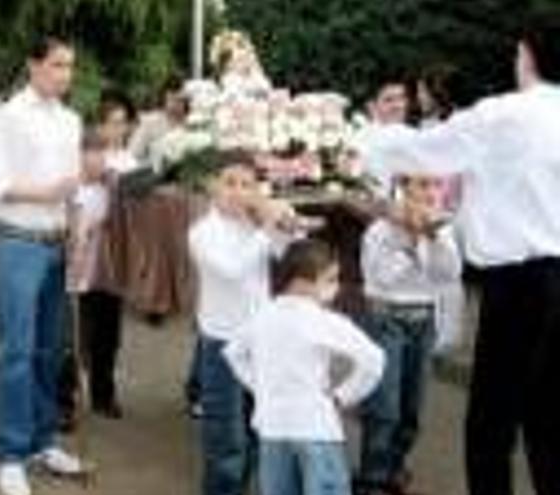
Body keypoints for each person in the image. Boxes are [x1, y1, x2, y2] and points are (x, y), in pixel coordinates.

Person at [362, 12, 560, 494]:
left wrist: (367, 136)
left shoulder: (504, 114)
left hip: (520, 283)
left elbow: (427, 151)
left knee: (491, 422)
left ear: (526, 54)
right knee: (547, 417)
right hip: (548, 277)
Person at [0, 35, 87, 495]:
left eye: (70, 66)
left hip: (58, 243)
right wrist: (43, 194)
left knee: (48, 350)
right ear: (33, 65)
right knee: (16, 352)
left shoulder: (71, 120)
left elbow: (74, 187)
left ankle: (42, 441)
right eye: (58, 65)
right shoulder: (7, 116)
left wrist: (76, 234)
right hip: (18, 242)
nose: (66, 74)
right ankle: (10, 453)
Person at [223, 240, 385, 495]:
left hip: (272, 426)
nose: (337, 287)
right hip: (316, 426)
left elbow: (233, 353)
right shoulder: (325, 320)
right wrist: (344, 395)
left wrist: (259, 386)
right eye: (330, 279)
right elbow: (374, 359)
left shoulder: (261, 314)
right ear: (303, 282)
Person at [188, 151, 298, 495]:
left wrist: (283, 220)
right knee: (225, 435)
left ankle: (243, 487)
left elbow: (287, 250)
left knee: (255, 426)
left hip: (259, 340)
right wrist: (266, 228)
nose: (237, 192)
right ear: (212, 187)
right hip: (222, 343)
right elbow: (232, 271)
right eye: (229, 183)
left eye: (246, 185)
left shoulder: (252, 226)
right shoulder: (203, 232)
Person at [356, 174, 462, 495]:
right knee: (384, 407)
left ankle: (394, 466)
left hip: (424, 320)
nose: (430, 192)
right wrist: (412, 240)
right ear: (403, 189)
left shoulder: (442, 230)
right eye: (421, 185)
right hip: (386, 318)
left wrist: (433, 236)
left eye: (434, 185)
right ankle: (373, 477)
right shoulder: (379, 231)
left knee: (411, 408)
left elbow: (449, 272)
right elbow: (383, 278)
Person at [67, 93, 139, 421]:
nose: (118, 129)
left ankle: (103, 393)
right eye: (112, 122)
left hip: (111, 263)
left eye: (123, 122)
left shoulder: (126, 166)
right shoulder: (77, 176)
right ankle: (65, 400)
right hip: (81, 264)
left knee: (108, 333)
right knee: (75, 335)